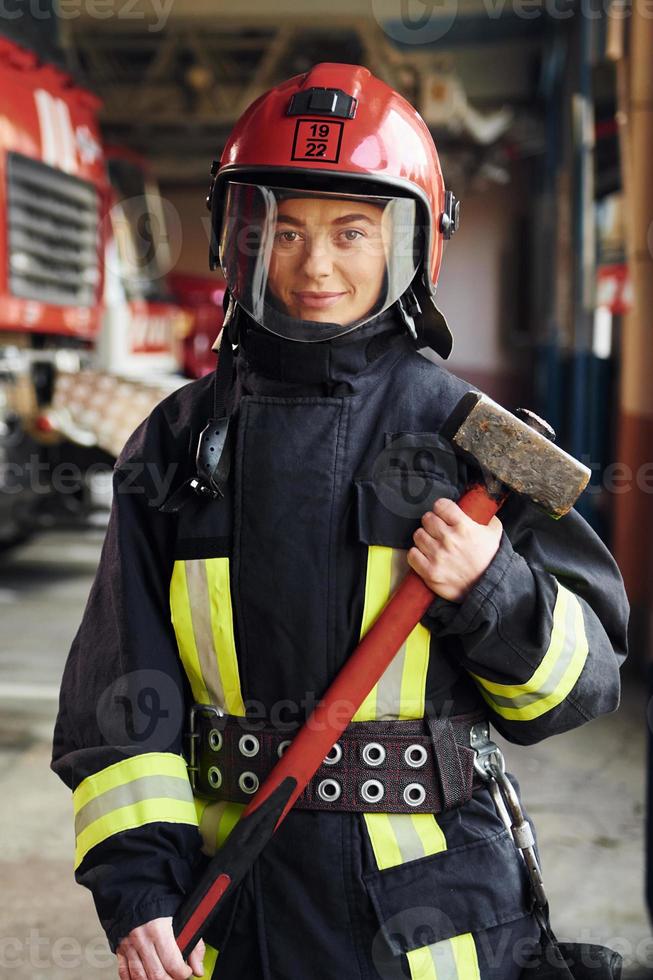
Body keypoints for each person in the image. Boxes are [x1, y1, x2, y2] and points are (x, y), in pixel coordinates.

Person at [52, 63, 629, 980]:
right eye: (283, 229)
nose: (314, 264)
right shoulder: (175, 442)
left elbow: (576, 692)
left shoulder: (470, 441)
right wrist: (139, 891)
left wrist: (491, 588)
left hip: (430, 927)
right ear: (238, 238)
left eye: (351, 231)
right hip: (226, 914)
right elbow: (120, 694)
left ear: (408, 244)